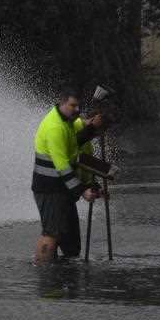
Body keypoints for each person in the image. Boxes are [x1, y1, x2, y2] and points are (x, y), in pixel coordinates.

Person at [32, 87, 101, 264]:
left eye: (78, 106)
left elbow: (74, 143)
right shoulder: (55, 127)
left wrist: (92, 128)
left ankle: (65, 272)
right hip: (49, 188)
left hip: (62, 188)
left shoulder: (68, 121)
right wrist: (82, 191)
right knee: (52, 232)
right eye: (73, 106)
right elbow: (62, 165)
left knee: (69, 237)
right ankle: (43, 271)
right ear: (61, 102)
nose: (77, 110)